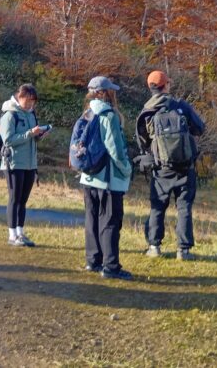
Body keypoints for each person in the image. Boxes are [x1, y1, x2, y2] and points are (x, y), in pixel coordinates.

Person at [135, 70, 206, 261]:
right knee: (184, 207)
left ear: (150, 87)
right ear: (166, 85)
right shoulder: (181, 106)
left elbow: (142, 141)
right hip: (185, 167)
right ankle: (183, 250)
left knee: (158, 206)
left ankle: (154, 247)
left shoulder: (147, 111)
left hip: (161, 168)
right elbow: (199, 128)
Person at [80, 76, 133, 281]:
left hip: (88, 176)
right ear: (103, 93)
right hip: (108, 179)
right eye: (110, 90)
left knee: (92, 219)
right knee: (110, 221)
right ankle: (111, 266)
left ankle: (93, 261)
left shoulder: (87, 113)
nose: (113, 94)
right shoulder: (109, 116)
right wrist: (127, 169)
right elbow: (115, 150)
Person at [0, 83, 49, 247]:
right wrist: (29, 133)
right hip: (13, 163)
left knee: (23, 200)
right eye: (28, 100)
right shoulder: (9, 115)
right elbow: (8, 140)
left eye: (33, 101)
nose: (30, 104)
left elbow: (31, 137)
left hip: (29, 164)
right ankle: (12, 235)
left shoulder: (31, 114)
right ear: (19, 97)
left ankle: (20, 233)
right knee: (14, 198)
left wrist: (39, 134)